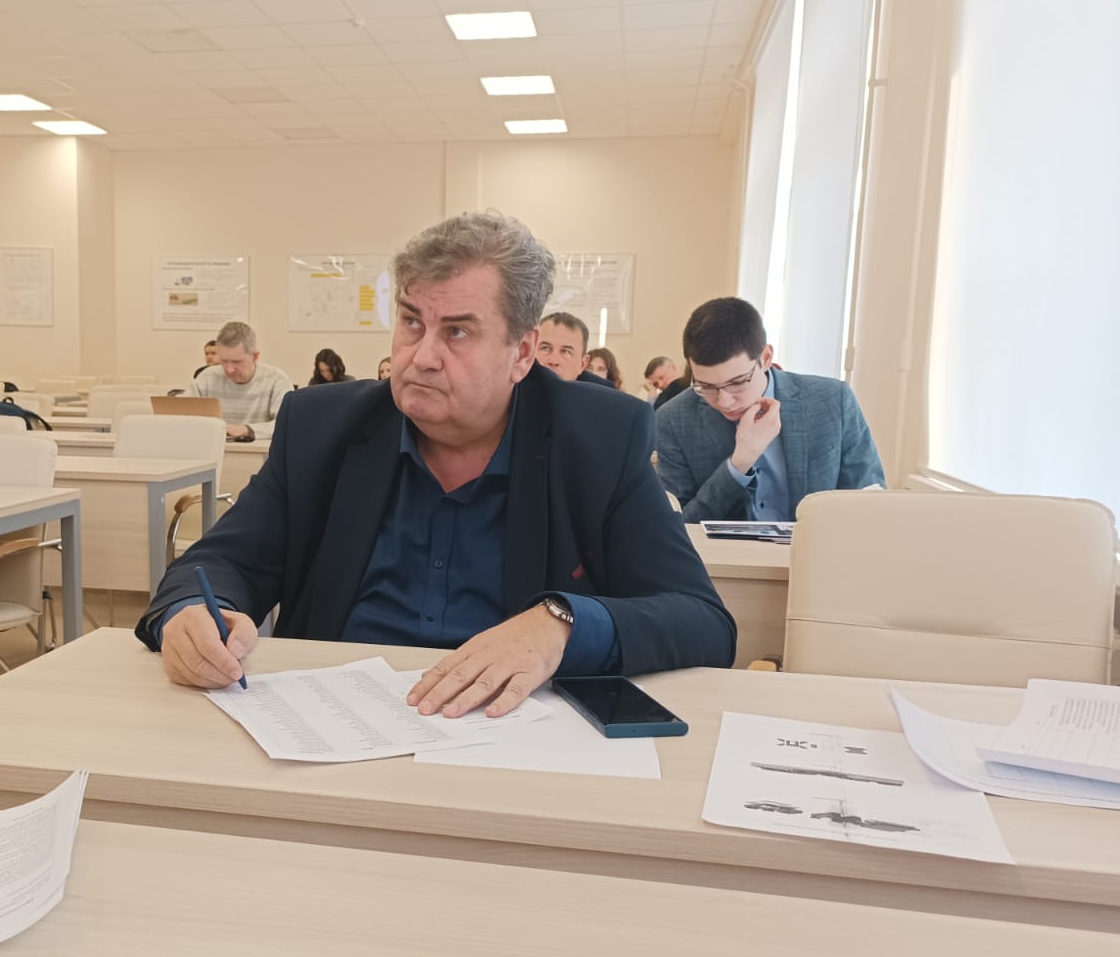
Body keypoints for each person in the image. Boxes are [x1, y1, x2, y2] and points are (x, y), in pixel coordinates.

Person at [137, 211, 736, 717]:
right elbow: (218, 564)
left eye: (458, 333)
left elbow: (701, 620)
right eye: (411, 322)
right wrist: (188, 613)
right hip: (332, 727)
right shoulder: (322, 428)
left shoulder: (599, 438)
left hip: (510, 733)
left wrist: (561, 623)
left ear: (522, 352)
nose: (421, 356)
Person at [655, 297, 885, 523]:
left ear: (765, 358)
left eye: (737, 382)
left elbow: (868, 507)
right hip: (722, 550)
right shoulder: (673, 420)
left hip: (819, 546)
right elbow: (676, 526)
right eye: (706, 386)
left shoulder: (833, 401)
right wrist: (739, 463)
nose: (724, 401)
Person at [187, 321, 294, 440]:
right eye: (224, 361)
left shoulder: (276, 380)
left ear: (255, 356)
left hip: (259, 451)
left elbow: (289, 425)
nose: (229, 369)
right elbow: (182, 417)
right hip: (213, 448)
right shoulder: (206, 378)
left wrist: (246, 430)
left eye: (237, 362)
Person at [536, 312, 613, 387]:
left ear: (582, 364)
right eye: (545, 348)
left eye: (566, 351)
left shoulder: (603, 394)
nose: (554, 361)